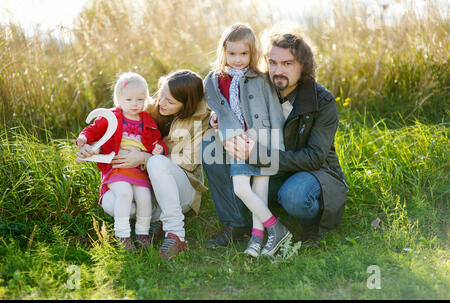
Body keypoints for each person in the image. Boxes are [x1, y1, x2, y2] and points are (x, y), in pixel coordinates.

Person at [203, 26, 348, 249]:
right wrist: (218, 118)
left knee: (294, 195)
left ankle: (309, 227)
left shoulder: (322, 101)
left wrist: (257, 154)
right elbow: (232, 105)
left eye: (287, 63)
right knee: (211, 146)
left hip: (313, 171)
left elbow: (314, 157)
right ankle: (237, 223)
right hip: (271, 167)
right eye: (272, 62)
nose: (278, 70)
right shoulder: (260, 86)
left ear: (303, 66)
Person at [203, 23, 290, 257]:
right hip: (238, 143)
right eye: (232, 53)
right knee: (242, 188)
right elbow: (216, 109)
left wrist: (277, 148)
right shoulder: (215, 80)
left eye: (244, 54)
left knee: (259, 192)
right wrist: (214, 118)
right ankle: (276, 228)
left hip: (263, 141)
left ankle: (257, 237)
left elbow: (274, 112)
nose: (238, 59)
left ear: (252, 53)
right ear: (224, 51)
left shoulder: (261, 79)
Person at [106, 69, 209, 260]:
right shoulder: (148, 109)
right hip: (148, 187)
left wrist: (143, 158)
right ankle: (154, 220)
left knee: (156, 162)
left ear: (186, 105)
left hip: (183, 189)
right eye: (162, 96)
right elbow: (111, 123)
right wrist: (89, 145)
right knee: (111, 203)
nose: (161, 103)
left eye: (170, 102)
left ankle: (176, 234)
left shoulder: (199, 122)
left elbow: (185, 162)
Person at [76, 72, 168, 253]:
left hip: (138, 170)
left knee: (143, 196)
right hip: (117, 167)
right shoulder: (111, 117)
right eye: (129, 100)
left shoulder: (147, 120)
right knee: (124, 193)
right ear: (118, 99)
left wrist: (160, 148)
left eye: (140, 99)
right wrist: (83, 138)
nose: (135, 104)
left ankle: (142, 234)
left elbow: (156, 139)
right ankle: (122, 235)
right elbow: (92, 130)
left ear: (146, 99)